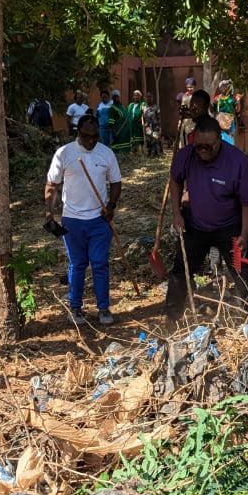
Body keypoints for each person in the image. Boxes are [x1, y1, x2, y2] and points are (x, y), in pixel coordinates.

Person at [164, 116, 248, 321]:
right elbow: (175, 180)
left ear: (219, 142)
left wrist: (244, 233)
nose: (202, 151)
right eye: (198, 146)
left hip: (231, 229)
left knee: (243, 271)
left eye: (208, 147)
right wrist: (177, 214)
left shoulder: (237, 162)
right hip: (196, 226)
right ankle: (172, 317)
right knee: (182, 269)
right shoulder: (186, 156)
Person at [43, 115, 122, 326]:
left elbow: (116, 183)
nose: (91, 141)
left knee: (99, 264)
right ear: (78, 133)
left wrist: (111, 206)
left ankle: (103, 309)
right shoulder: (64, 153)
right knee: (77, 264)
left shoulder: (106, 153)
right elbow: (52, 185)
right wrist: (49, 214)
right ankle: (75, 308)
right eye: (86, 136)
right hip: (73, 220)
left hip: (99, 220)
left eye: (95, 136)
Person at [213, 80, 242, 145]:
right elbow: (213, 110)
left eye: (225, 86)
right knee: (221, 141)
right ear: (220, 88)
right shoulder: (217, 98)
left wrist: (238, 102)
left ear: (228, 87)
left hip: (230, 123)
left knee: (230, 141)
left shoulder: (233, 98)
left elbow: (237, 110)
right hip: (220, 123)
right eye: (222, 87)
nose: (224, 88)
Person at [141, 91, 162, 157]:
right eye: (147, 97)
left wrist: (160, 128)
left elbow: (159, 118)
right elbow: (142, 117)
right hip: (147, 127)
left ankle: (156, 154)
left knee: (155, 140)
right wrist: (144, 125)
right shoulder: (144, 108)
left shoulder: (156, 107)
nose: (149, 98)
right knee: (148, 140)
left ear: (152, 98)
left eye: (150, 97)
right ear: (145, 98)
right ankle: (149, 154)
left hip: (155, 127)